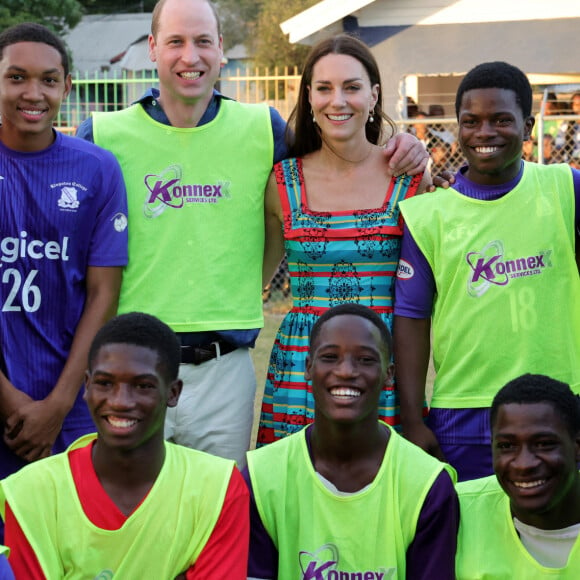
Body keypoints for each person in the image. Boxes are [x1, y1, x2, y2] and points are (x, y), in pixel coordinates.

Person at [76, 0, 428, 467]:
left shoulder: (263, 130)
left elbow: (337, 156)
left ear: (222, 49)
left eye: (203, 41)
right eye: (176, 41)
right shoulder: (101, 134)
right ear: (153, 48)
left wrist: (407, 145)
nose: (190, 56)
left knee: (224, 515)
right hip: (133, 365)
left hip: (227, 366)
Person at [394, 61, 580, 481]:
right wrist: (413, 418)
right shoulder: (428, 215)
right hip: (465, 412)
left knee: (560, 537)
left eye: (501, 120)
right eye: (471, 121)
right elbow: (411, 319)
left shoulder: (564, 188)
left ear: (528, 126)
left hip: (561, 403)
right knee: (472, 536)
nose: (485, 133)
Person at [256, 34, 430, 445]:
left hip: (382, 365)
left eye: (351, 87)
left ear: (373, 97)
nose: (338, 101)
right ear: (310, 99)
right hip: (303, 367)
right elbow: (253, 277)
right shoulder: (281, 181)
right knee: (296, 496)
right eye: (324, 88)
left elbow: (425, 292)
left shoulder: (411, 178)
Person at [0, 312, 249, 579]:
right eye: (105, 383)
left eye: (143, 386)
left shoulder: (219, 487)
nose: (120, 401)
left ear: (173, 393)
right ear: (87, 386)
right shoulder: (30, 492)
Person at [0, 23, 127, 483]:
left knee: (65, 548)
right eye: (16, 77)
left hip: (70, 404)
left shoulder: (96, 167)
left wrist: (57, 404)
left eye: (48, 79)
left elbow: (103, 294)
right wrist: (11, 401)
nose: (33, 92)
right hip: (6, 399)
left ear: (66, 86)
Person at [246, 304, 458, 579]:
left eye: (366, 359)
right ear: (309, 367)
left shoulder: (428, 484)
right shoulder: (261, 478)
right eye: (330, 357)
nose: (346, 371)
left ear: (388, 374)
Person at [456, 374, 580, 578]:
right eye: (507, 446)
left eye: (544, 444)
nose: (524, 464)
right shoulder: (457, 510)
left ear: (577, 446)